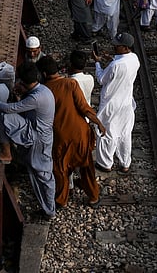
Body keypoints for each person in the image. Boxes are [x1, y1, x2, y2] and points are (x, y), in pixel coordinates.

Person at [0, 61, 56, 218]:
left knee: (43, 175)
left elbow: (11, 109)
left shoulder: (37, 97)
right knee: (37, 171)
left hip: (38, 139)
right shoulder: (42, 90)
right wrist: (20, 94)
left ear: (25, 81)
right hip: (38, 134)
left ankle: (50, 210)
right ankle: (48, 209)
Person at [39, 56, 106, 208]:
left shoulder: (43, 91)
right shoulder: (71, 83)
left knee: (61, 168)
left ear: (43, 74)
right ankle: (93, 197)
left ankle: (61, 200)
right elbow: (84, 108)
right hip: (81, 134)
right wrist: (99, 124)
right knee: (86, 166)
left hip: (61, 137)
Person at [92, 32, 140, 174]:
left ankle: (105, 163)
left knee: (106, 133)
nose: (114, 46)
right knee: (125, 133)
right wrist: (111, 58)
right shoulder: (135, 59)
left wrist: (97, 63)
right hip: (126, 103)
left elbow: (101, 79)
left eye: (117, 46)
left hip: (111, 104)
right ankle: (125, 163)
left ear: (125, 48)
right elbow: (122, 65)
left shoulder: (115, 65)